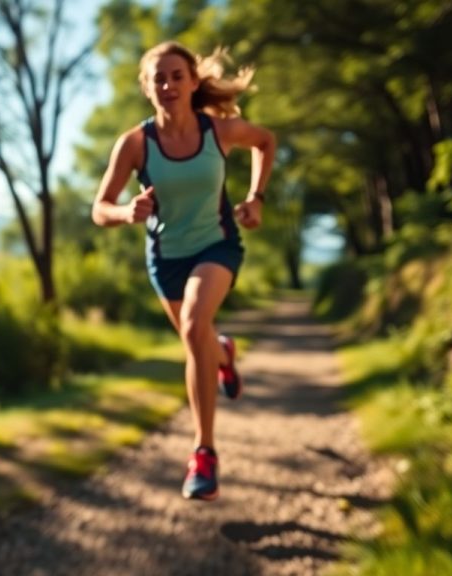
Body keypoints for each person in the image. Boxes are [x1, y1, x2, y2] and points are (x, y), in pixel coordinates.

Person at [91, 41, 275, 501]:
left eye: (177, 75)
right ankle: (224, 353)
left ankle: (204, 455)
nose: (168, 84)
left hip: (217, 246)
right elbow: (98, 208)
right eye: (159, 78)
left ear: (193, 82)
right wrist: (125, 212)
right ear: (147, 88)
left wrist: (256, 198)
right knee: (199, 341)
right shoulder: (135, 143)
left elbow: (266, 142)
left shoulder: (220, 130)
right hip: (166, 259)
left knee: (194, 326)